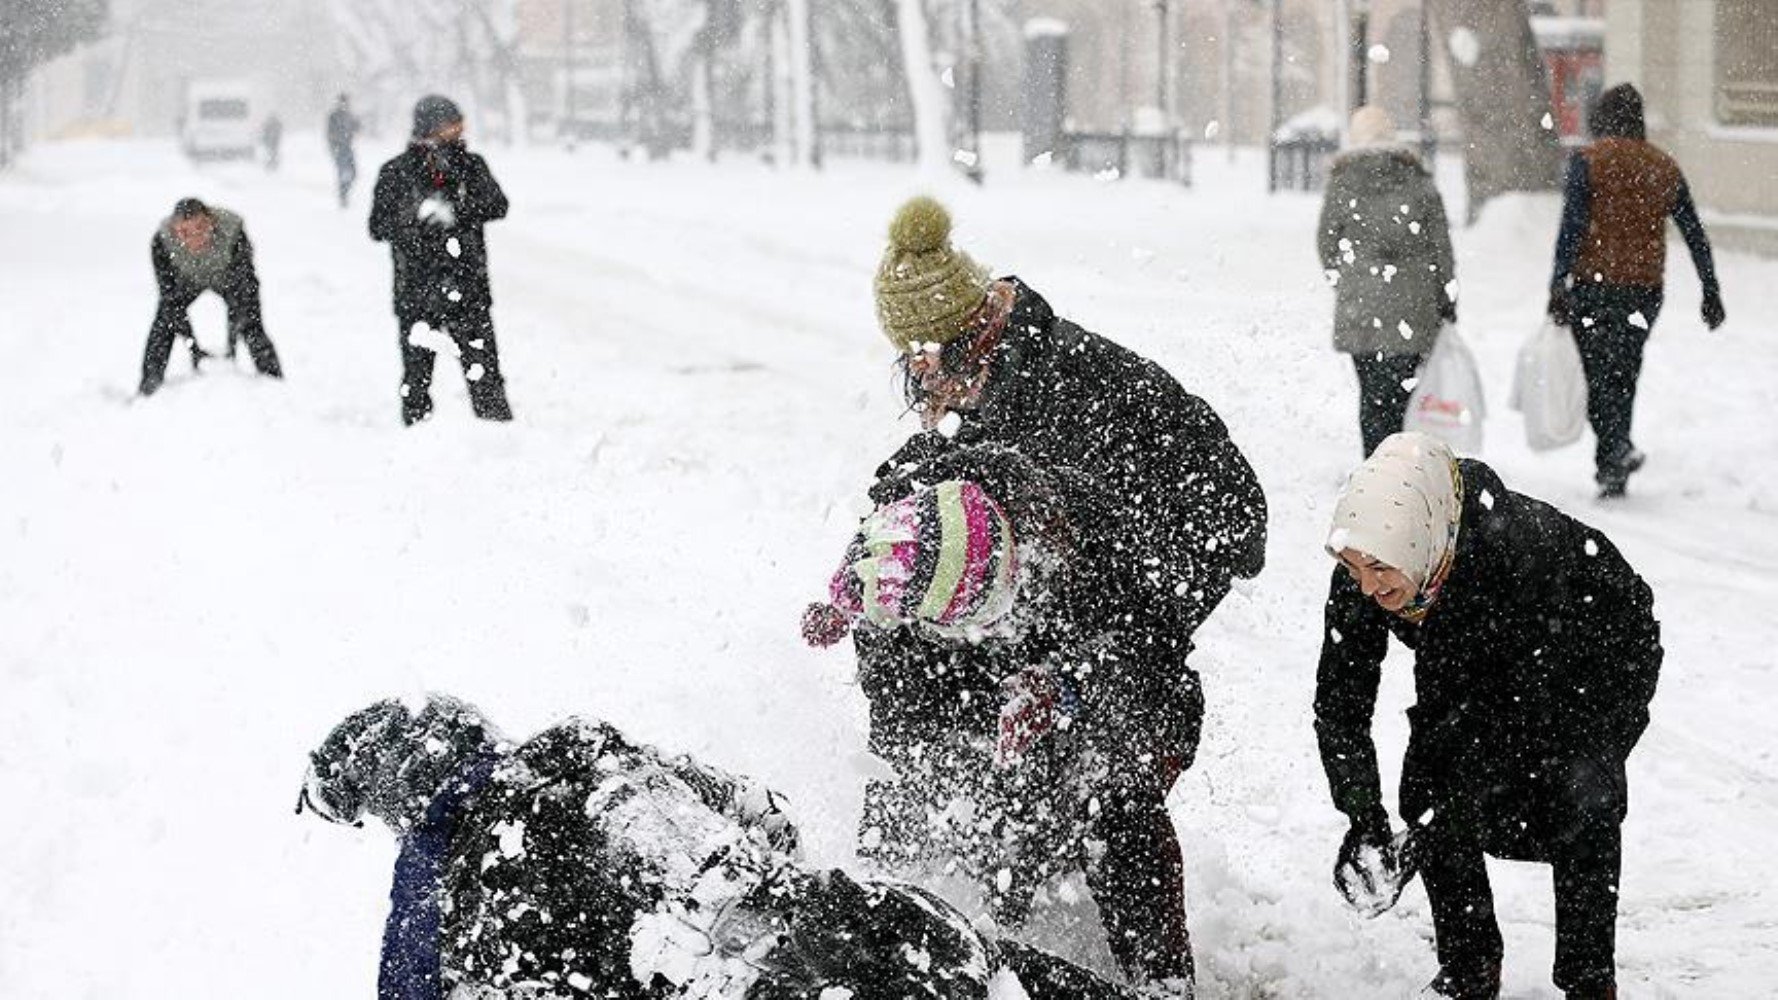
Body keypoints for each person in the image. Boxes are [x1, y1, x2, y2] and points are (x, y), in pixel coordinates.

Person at [297, 694, 1154, 1000]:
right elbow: (767, 815)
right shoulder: (586, 747)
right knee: (986, 970)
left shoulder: (454, 916)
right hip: (883, 927)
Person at [803, 445, 1207, 996]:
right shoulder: (891, 585)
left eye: (997, 613)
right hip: (956, 672)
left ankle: (1162, 983)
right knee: (936, 799)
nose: (996, 631)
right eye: (979, 622)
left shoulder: (1091, 533)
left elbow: (1159, 667)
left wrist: (1065, 685)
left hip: (1097, 684)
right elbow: (897, 753)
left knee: (1112, 795)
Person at [1313, 432, 1661, 1000]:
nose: (1367, 586)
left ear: (1419, 541)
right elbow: (1340, 702)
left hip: (1590, 653)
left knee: (1580, 796)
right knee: (1428, 788)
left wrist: (1600, 748)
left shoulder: (1514, 551)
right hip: (1486, 662)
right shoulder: (1372, 557)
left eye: (1378, 569)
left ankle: (1589, 978)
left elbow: (1495, 719)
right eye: (1352, 567)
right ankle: (1470, 968)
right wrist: (1362, 814)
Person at [1547, 82, 1726, 498]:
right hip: (1644, 291)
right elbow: (1694, 233)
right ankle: (1615, 461)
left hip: (1594, 287)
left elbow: (1571, 228)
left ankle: (1615, 451)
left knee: (1598, 377)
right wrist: (1710, 289)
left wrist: (1557, 282)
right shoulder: (1662, 166)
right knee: (1624, 373)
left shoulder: (1588, 162)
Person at [1316, 106, 1458, 456]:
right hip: (1414, 303)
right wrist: (1446, 296)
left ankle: (1374, 464)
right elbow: (1441, 247)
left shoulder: (1343, 181)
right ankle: (1398, 462)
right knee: (1400, 394)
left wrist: (1349, 279)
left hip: (1361, 305)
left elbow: (1326, 242)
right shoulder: (1419, 180)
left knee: (1371, 393)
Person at [369, 95, 513, 425]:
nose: (460, 129)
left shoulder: (471, 166)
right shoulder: (396, 172)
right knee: (417, 380)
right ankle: (419, 444)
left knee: (485, 377)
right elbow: (378, 226)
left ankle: (500, 442)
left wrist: (456, 212)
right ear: (430, 126)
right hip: (416, 292)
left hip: (468, 289)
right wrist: (415, 218)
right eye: (452, 122)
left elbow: (497, 204)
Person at [139, 197, 283, 396]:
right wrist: (194, 348)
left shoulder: (233, 232)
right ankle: (149, 387)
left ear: (212, 222)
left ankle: (274, 382)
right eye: (185, 233)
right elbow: (170, 299)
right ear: (174, 230)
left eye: (200, 228)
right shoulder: (161, 243)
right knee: (164, 322)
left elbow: (246, 287)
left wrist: (231, 345)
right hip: (186, 280)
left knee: (251, 322)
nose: (194, 238)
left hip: (227, 277)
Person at [326, 94, 361, 208]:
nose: (344, 104)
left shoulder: (349, 115)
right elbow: (330, 134)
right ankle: (343, 195)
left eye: (346, 102)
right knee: (343, 172)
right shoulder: (334, 116)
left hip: (347, 148)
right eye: (343, 102)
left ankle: (344, 193)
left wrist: (358, 124)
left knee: (353, 173)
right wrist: (334, 145)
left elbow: (357, 128)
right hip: (339, 148)